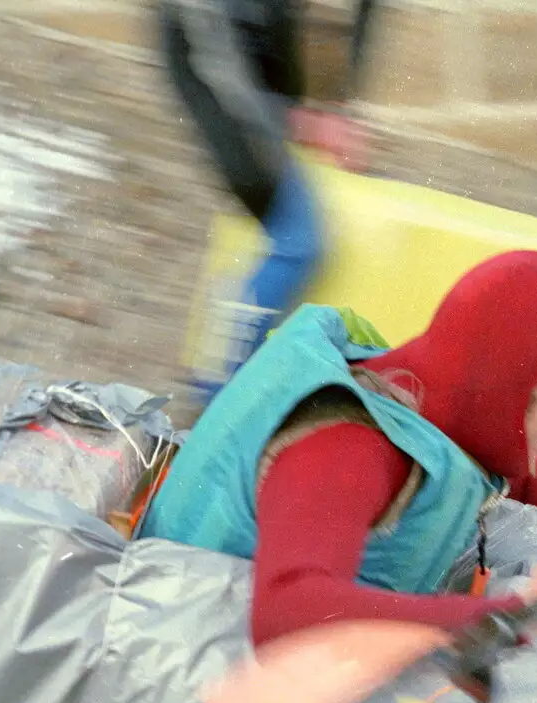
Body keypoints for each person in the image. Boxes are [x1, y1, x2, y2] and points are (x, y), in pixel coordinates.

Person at [139, 250, 537, 646]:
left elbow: (522, 476)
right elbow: (284, 610)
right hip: (185, 651)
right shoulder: (346, 448)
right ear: (505, 389)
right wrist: (513, 610)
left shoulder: (429, 394)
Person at [158, 0, 379, 404]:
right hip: (217, 53)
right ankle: (223, 395)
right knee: (299, 241)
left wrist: (330, 106)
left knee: (294, 231)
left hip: (249, 52)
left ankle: (228, 378)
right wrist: (313, 111)